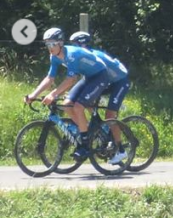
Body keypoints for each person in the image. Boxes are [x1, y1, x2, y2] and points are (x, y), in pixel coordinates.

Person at [24, 28, 110, 160]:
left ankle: (86, 145)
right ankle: (87, 131)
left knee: (78, 107)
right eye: (47, 44)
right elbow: (49, 78)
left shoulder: (71, 54)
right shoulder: (54, 56)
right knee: (66, 105)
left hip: (100, 76)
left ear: (60, 43)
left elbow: (71, 79)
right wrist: (33, 95)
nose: (50, 48)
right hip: (87, 77)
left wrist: (53, 94)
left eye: (52, 44)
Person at [69, 31, 130, 164]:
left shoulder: (94, 56)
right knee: (86, 102)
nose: (72, 47)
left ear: (82, 45)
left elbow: (104, 76)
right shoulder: (81, 57)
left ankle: (120, 150)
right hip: (107, 82)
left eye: (75, 44)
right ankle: (101, 130)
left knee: (110, 115)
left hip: (120, 82)